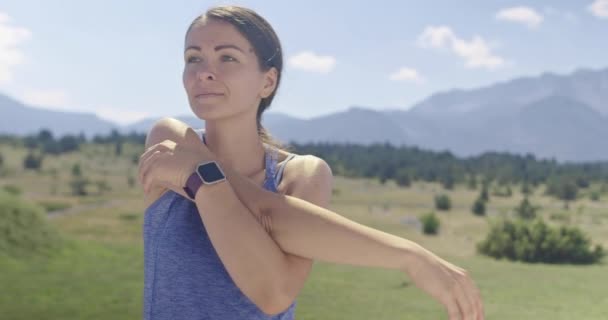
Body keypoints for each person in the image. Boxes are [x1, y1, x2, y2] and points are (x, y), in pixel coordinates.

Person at [138, 5, 484, 320]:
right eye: (193, 58)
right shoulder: (169, 138)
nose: (204, 72)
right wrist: (407, 256)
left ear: (267, 81)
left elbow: (274, 290)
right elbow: (268, 220)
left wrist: (202, 178)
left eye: (226, 58)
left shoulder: (301, 174)